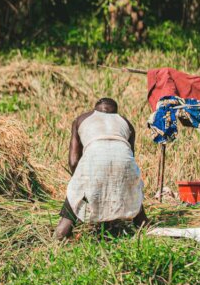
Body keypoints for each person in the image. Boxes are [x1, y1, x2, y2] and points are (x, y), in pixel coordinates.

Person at [55, 97, 146, 239]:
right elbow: (127, 160)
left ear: (95, 108)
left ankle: (60, 237)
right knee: (133, 192)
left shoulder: (81, 119)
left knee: (74, 201)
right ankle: (145, 230)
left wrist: (81, 188)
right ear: (115, 111)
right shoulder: (126, 123)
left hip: (93, 161)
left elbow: (73, 161)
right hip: (124, 164)